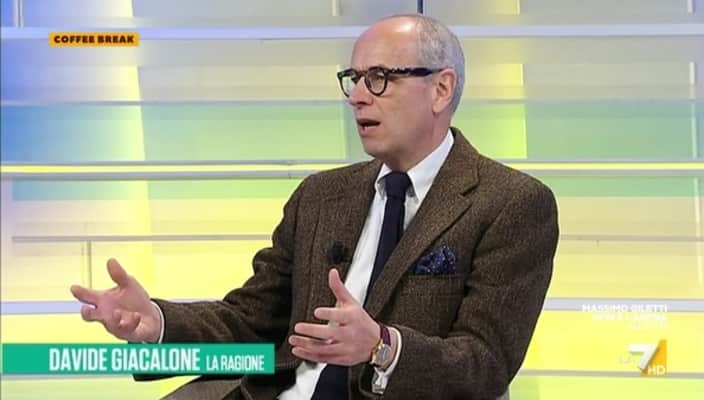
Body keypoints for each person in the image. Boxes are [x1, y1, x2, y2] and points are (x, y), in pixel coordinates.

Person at [71, 13, 559, 400]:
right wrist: (156, 324)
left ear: (441, 88)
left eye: (380, 78)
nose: (358, 97)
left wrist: (381, 347)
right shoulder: (321, 196)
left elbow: (484, 365)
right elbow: (253, 321)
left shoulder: (510, 203)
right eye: (354, 78)